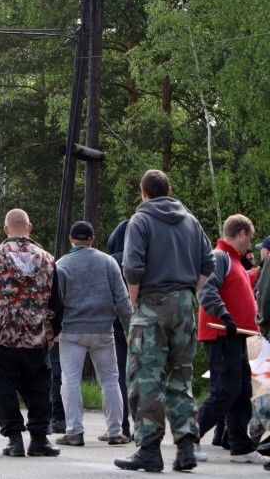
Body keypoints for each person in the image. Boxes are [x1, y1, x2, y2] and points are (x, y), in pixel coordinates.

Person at [114, 169, 214, 473]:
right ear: (168, 190)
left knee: (146, 378)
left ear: (144, 192)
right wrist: (188, 291)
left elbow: (133, 267)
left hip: (151, 302)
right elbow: (208, 263)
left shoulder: (141, 220)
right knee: (180, 378)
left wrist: (135, 301)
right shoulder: (190, 220)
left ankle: (149, 449)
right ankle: (186, 447)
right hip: (185, 303)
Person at [0, 208, 62, 459]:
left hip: (1, 335)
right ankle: (39, 438)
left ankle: (14, 439)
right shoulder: (47, 259)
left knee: (1, 386)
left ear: (6, 230)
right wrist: (53, 330)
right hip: (36, 334)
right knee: (39, 386)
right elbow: (56, 301)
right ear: (29, 227)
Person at [54, 221, 132, 447]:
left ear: (71, 239)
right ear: (93, 239)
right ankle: (116, 431)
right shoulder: (108, 262)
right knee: (110, 380)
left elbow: (57, 303)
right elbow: (122, 300)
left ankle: (74, 431)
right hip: (103, 331)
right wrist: (129, 328)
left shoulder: (62, 265)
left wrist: (53, 330)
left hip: (72, 333)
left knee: (70, 380)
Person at [197, 215, 267, 464]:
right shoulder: (220, 257)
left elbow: (240, 286)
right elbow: (206, 288)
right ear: (240, 233)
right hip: (220, 332)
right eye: (249, 238)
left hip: (235, 334)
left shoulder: (234, 261)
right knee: (225, 390)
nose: (250, 244)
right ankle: (189, 438)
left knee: (241, 391)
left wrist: (256, 271)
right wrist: (224, 313)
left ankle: (241, 446)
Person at [102, 219, 133, 442]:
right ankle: (145, 427)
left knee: (119, 375)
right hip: (140, 321)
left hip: (115, 324)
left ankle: (122, 426)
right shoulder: (143, 258)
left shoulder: (111, 261)